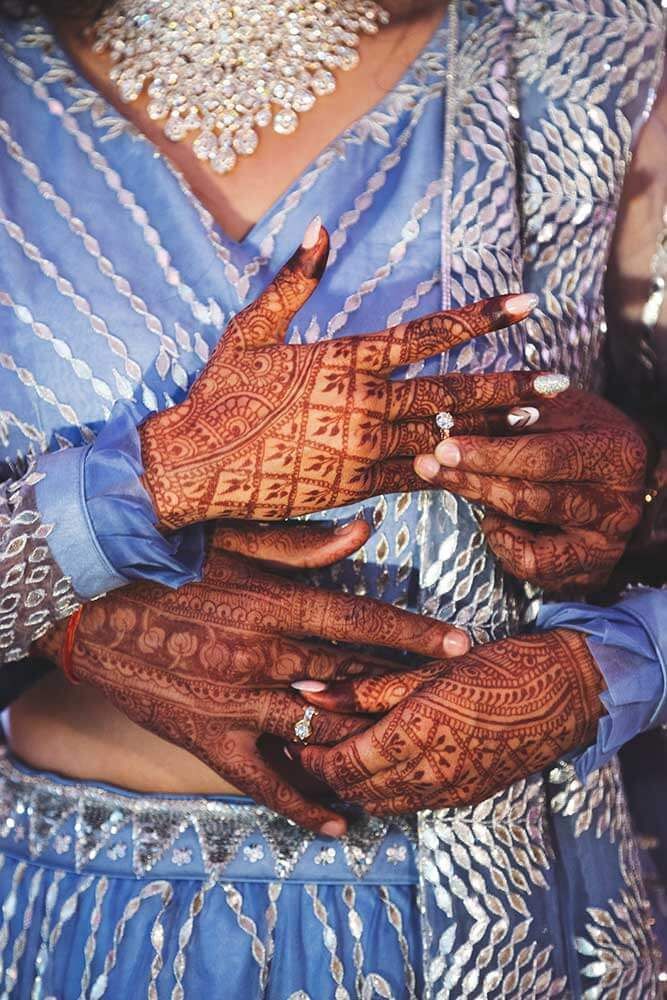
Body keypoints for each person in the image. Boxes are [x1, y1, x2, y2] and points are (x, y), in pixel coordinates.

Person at [0, 0, 665, 997]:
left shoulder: (591, 59)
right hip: (71, 926)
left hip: (493, 925)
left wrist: (609, 664)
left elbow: (643, 510)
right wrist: (143, 486)